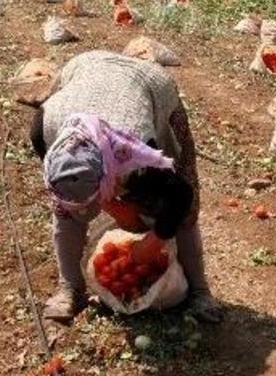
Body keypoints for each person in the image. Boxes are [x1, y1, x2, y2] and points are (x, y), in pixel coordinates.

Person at [29, 51, 222, 323]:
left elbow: (182, 196)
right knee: (64, 211)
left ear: (111, 173)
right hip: (86, 69)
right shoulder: (43, 129)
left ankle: (201, 292)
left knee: (185, 202)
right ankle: (69, 288)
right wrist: (109, 206)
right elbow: (70, 191)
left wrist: (154, 240)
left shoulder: (140, 158)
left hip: (148, 85)